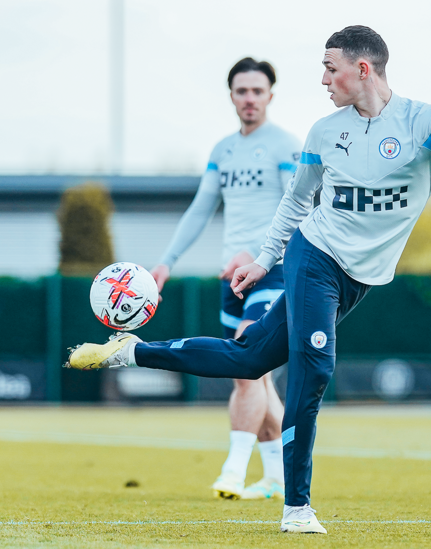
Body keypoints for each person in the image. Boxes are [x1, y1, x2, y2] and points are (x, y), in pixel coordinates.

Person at [66, 25, 431, 534]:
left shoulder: (424, 121)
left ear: (362, 69)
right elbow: (296, 200)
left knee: (248, 358)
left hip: (358, 278)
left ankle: (131, 351)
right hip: (314, 256)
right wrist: (268, 260)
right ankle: (296, 508)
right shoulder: (323, 132)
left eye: (329, 68)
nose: (323, 79)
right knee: (314, 368)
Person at [149, 57, 300, 501]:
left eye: (257, 91)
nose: (249, 99)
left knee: (245, 369)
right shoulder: (222, 151)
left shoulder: (286, 146)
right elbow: (200, 209)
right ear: (231, 95)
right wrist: (167, 261)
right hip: (229, 275)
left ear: (271, 94)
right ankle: (275, 476)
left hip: (272, 271)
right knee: (256, 378)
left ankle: (233, 470)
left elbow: (299, 207)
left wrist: (256, 252)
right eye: (241, 91)